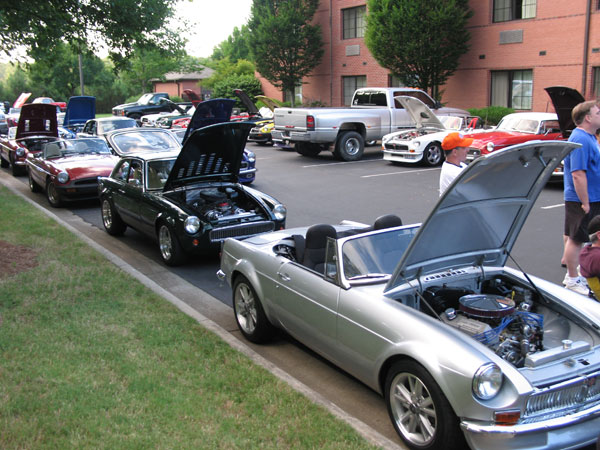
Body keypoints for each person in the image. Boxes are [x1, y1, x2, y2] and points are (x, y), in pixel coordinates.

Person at [562, 101, 600, 294]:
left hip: (592, 196)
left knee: (579, 236)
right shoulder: (581, 139)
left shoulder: (590, 137)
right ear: (588, 117)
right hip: (582, 198)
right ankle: (572, 279)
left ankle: (575, 269)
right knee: (577, 238)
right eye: (598, 112)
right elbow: (578, 173)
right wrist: (585, 201)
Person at [439, 132, 473, 196]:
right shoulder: (452, 172)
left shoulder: (460, 165)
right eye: (464, 148)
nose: (468, 150)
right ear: (455, 152)